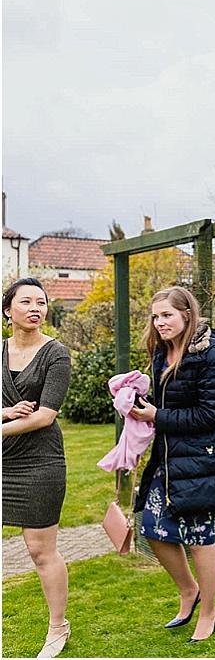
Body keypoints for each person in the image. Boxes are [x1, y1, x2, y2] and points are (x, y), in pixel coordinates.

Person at [127, 285, 215, 645]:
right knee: (151, 527)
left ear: (186, 315)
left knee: (199, 538)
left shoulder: (210, 356)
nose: (160, 322)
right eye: (156, 316)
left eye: (167, 315)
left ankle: (208, 611)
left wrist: (157, 415)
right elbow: (167, 405)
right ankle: (189, 591)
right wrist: (136, 399)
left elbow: (210, 416)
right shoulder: (161, 353)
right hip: (169, 460)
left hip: (203, 461)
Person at [3, 278, 74, 657]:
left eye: (42, 302)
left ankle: (58, 626)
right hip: (3, 460)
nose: (36, 308)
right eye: (26, 301)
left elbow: (45, 416)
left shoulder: (56, 354)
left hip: (40, 461)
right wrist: (4, 413)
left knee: (39, 550)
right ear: (7, 311)